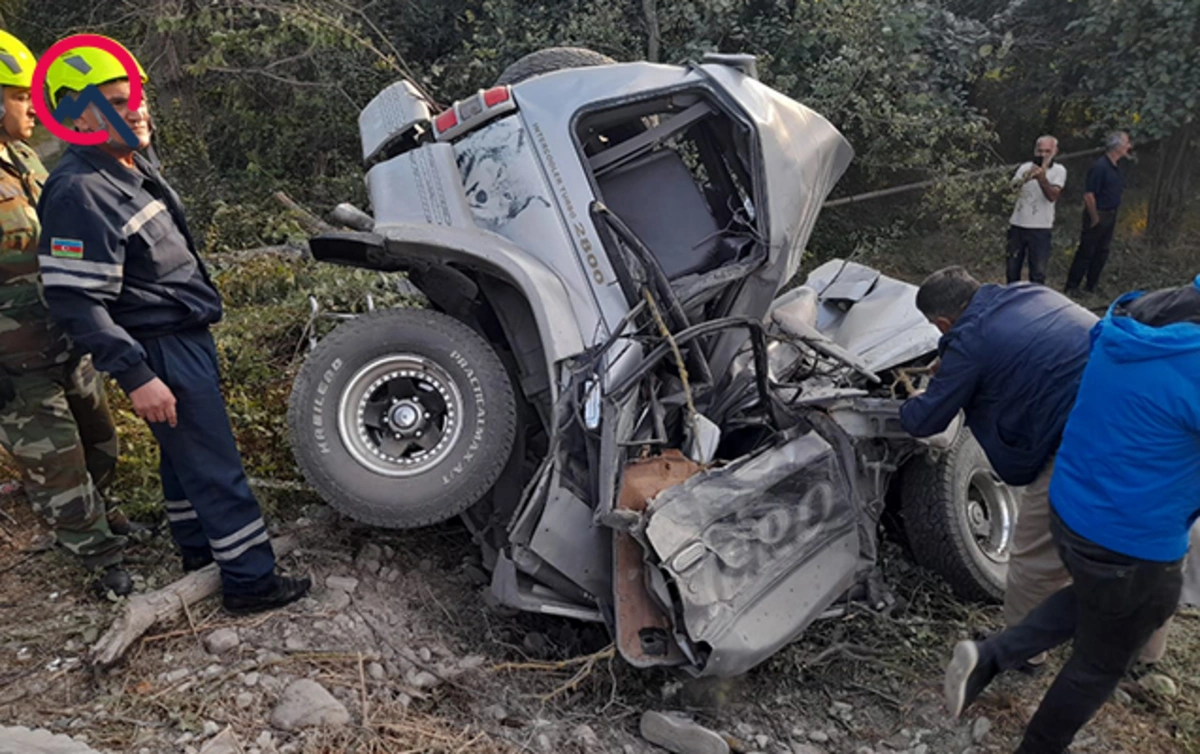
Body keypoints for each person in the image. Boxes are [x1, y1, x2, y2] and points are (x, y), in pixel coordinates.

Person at [37, 37, 310, 614]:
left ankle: (197, 552)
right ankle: (251, 581)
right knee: (215, 464)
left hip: (181, 337)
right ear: (74, 116)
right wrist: (137, 376)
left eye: (136, 96)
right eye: (115, 99)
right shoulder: (79, 191)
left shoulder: (127, 166)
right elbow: (74, 299)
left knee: (186, 460)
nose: (135, 108)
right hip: (158, 348)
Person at [943, 275, 1200, 754]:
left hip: (1070, 507)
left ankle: (991, 656)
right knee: (1099, 663)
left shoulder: (1139, 313)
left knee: (1100, 598)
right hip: (1133, 541)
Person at [0, 30, 135, 596]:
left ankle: (105, 517)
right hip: (15, 364)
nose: (32, 105)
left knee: (101, 443)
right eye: (18, 94)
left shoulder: (25, 158)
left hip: (64, 338)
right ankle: (98, 559)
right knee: (56, 468)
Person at [899, 267, 1095, 632]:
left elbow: (923, 422)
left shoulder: (970, 342)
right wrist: (954, 361)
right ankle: (1144, 652)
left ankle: (1024, 652)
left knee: (1034, 553)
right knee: (1134, 536)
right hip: (1136, 411)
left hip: (1082, 434)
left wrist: (911, 399)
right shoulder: (1027, 293)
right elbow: (1013, 347)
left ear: (942, 322)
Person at [1063, 131, 1132, 295]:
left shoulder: (1115, 167)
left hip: (1111, 213)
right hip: (1098, 213)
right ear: (1118, 146)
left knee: (1102, 251)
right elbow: (1089, 195)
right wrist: (1095, 217)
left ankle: (1091, 285)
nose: (1129, 146)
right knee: (1087, 250)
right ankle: (1072, 286)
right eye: (1126, 143)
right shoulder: (1100, 167)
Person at [1006, 136, 1066, 285]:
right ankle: (1011, 300)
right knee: (1012, 269)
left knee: (1038, 272)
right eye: (1040, 151)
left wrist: (1042, 179)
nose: (1043, 155)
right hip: (1018, 224)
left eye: (1047, 151)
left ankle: (1036, 303)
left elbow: (1053, 196)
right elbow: (1010, 190)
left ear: (1055, 151)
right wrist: (1026, 177)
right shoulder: (1025, 167)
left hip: (1041, 228)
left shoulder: (1059, 170)